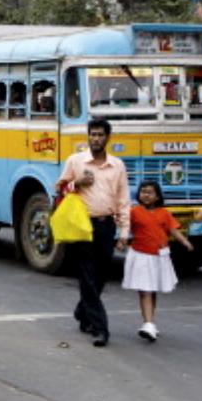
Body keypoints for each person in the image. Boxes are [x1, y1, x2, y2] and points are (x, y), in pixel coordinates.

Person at [56, 117, 130, 347]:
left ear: (108, 137)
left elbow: (123, 199)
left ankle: (82, 311)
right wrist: (76, 183)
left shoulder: (117, 165)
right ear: (87, 136)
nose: (96, 138)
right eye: (93, 134)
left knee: (101, 275)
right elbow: (59, 189)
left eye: (100, 135)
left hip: (106, 225)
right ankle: (100, 328)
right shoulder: (76, 161)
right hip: (82, 226)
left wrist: (124, 232)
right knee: (87, 276)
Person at [122, 181, 192, 342]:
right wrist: (122, 239)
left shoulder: (164, 213)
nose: (145, 195)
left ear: (157, 196)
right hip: (140, 255)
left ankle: (150, 323)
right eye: (143, 191)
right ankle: (148, 324)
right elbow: (125, 226)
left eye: (150, 192)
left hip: (159, 257)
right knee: (145, 291)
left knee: (151, 291)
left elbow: (173, 229)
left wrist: (184, 241)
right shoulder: (134, 212)